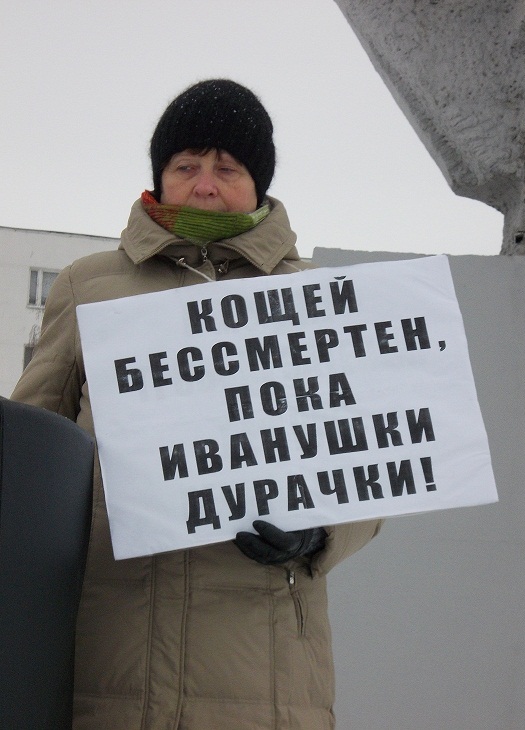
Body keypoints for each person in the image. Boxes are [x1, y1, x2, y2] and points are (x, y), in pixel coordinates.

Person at [12, 79, 383, 730]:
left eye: (226, 168)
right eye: (186, 166)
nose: (204, 185)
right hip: (109, 652)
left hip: (265, 664)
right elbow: (28, 453)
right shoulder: (88, 286)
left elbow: (373, 463)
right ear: (160, 176)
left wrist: (321, 531)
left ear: (258, 184)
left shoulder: (315, 300)